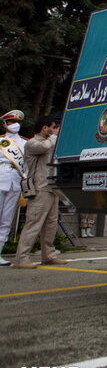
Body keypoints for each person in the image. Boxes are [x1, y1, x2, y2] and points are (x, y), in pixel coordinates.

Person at [12, 115, 67, 268]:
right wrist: (55, 137)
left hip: (52, 187)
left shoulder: (51, 142)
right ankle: (22, 258)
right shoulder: (32, 143)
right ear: (45, 128)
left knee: (51, 224)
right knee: (34, 223)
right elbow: (44, 147)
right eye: (53, 127)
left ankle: (48, 255)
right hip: (39, 188)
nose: (55, 130)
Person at [0, 109, 28, 266]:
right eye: (11, 122)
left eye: (17, 122)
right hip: (0, 178)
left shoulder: (25, 143)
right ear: (5, 124)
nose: (15, 125)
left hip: (15, 182)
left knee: (6, 220)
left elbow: (27, 165)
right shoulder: (1, 141)